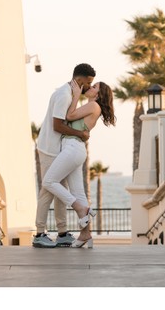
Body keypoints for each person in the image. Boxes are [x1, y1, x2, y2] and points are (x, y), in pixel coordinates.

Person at [42, 79, 116, 248]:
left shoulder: (93, 106)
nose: (90, 87)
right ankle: (85, 234)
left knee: (48, 181)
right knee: (79, 193)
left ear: (98, 94)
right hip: (75, 148)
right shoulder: (91, 106)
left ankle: (79, 208)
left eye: (94, 86)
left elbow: (69, 116)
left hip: (73, 148)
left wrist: (75, 95)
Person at [33, 63, 96, 248]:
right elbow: (57, 125)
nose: (89, 87)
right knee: (47, 191)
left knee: (61, 190)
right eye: (88, 83)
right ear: (79, 80)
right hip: (50, 149)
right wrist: (81, 135)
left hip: (58, 149)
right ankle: (39, 233)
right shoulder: (64, 95)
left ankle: (62, 233)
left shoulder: (69, 94)